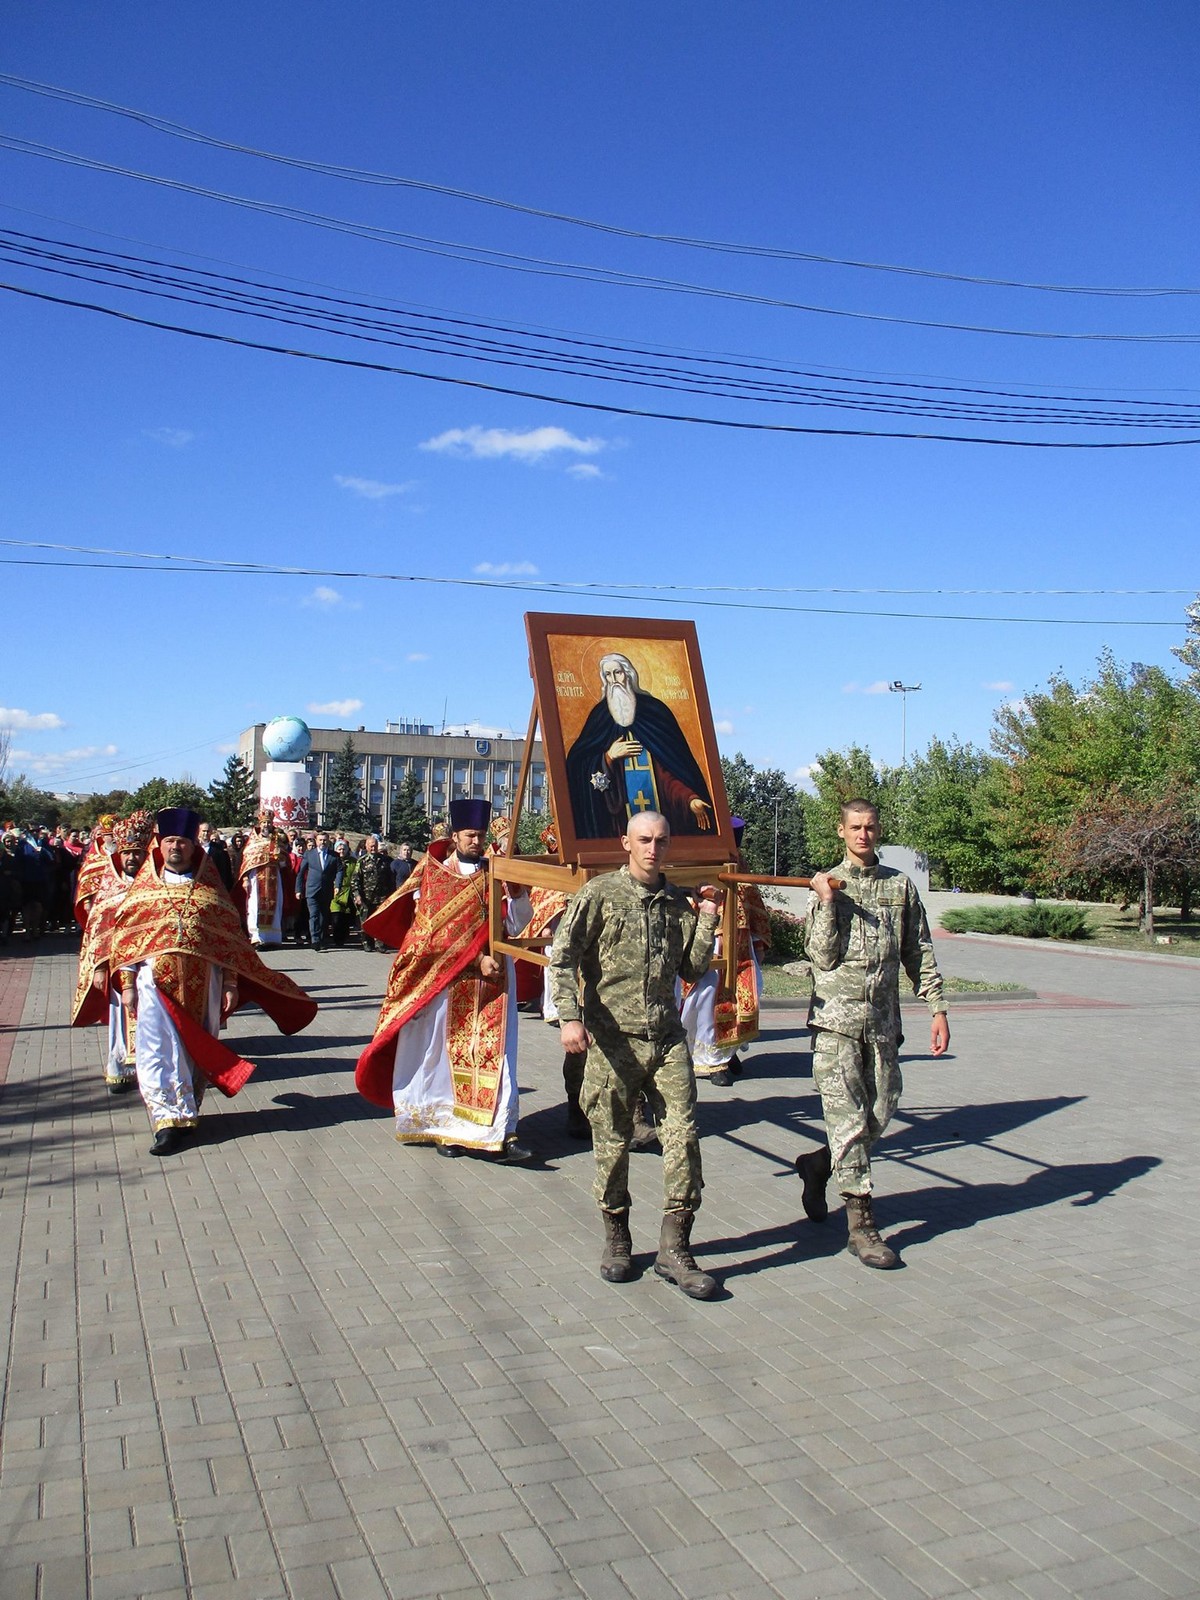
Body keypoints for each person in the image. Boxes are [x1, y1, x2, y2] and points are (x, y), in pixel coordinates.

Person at [548, 809, 724, 1298]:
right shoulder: (599, 895)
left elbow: (691, 967)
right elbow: (561, 956)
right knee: (611, 1139)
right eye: (644, 840)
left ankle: (675, 1246)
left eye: (662, 841)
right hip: (613, 1040)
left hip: (666, 1039)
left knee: (684, 1135)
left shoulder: (676, 904)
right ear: (626, 843)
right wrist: (569, 1017)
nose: (653, 849)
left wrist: (707, 918)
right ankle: (617, 1236)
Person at [795, 798, 950, 1270]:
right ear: (841, 831)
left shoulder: (899, 887)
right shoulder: (827, 885)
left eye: (870, 827)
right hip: (836, 1024)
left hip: (883, 1024)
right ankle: (862, 1226)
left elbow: (917, 950)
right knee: (847, 1121)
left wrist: (937, 1006)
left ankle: (820, 1164)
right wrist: (825, 902)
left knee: (880, 1112)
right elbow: (820, 956)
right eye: (855, 827)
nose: (863, 834)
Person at [109, 807, 318, 1155]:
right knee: (157, 1051)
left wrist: (232, 984)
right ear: (159, 846)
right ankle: (164, 1120)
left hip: (205, 984)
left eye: (183, 842)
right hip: (154, 987)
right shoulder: (143, 892)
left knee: (195, 1050)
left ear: (194, 847)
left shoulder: (211, 892)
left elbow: (230, 942)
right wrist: (128, 983)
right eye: (170, 841)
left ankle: (187, 1112)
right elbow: (127, 938)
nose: (176, 848)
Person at [355, 798, 531, 1161]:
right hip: (447, 983)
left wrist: (516, 892)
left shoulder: (493, 871)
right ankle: (447, 1130)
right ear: (455, 836)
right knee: (443, 1057)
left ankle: (495, 1133)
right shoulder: (435, 873)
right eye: (470, 835)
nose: (476, 842)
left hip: (493, 980)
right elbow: (429, 934)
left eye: (481, 836)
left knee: (496, 1057)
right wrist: (476, 958)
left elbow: (515, 924)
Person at [565, 652, 715, 839]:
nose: (614, 680)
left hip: (660, 829)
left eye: (617, 673)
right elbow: (577, 765)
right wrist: (608, 757)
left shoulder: (655, 712)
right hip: (618, 828)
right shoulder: (600, 716)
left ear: (628, 674)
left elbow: (669, 773)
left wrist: (691, 799)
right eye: (608, 675)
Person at [680, 818, 772, 1087]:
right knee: (704, 999)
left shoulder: (742, 875)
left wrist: (758, 944)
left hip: (741, 950)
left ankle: (725, 1053)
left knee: (743, 1000)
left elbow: (754, 908)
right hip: (708, 949)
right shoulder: (697, 871)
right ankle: (708, 1061)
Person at [71, 808, 156, 1092]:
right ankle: (119, 1067)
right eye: (127, 853)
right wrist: (98, 967)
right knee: (121, 1017)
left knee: (151, 1020)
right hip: (118, 967)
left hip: (149, 967)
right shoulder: (111, 887)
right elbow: (97, 930)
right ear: (118, 855)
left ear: (145, 855)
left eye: (137, 853)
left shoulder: (155, 885)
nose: (132, 858)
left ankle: (149, 1072)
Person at [238, 810, 285, 948]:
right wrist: (245, 879)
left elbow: (284, 862)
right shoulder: (253, 841)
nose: (266, 825)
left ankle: (273, 938)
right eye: (264, 822)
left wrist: (279, 856)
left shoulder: (277, 840)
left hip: (274, 877)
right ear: (260, 823)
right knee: (255, 906)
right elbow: (247, 860)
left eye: (269, 822)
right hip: (256, 877)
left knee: (275, 906)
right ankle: (256, 938)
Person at [296, 831, 338, 951]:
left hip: (326, 890)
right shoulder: (309, 854)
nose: (322, 842)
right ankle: (314, 940)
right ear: (316, 841)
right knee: (313, 915)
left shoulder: (333, 855)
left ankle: (321, 939)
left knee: (323, 916)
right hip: (312, 890)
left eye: (325, 840)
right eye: (320, 840)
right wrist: (298, 889)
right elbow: (301, 873)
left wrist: (337, 885)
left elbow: (340, 870)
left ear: (328, 841)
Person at [353, 835, 394, 951]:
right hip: (366, 897)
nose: (373, 848)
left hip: (381, 896)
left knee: (380, 920)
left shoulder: (386, 860)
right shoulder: (362, 861)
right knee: (365, 921)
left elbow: (391, 878)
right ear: (366, 846)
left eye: (375, 846)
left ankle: (379, 944)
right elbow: (355, 880)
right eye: (371, 846)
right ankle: (367, 942)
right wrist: (357, 895)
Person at [328, 839, 357, 946]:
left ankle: (344, 938)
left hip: (348, 893)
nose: (341, 851)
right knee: (336, 918)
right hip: (335, 893)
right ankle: (336, 939)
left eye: (344, 849)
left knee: (345, 919)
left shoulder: (353, 862)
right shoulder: (331, 860)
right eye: (339, 849)